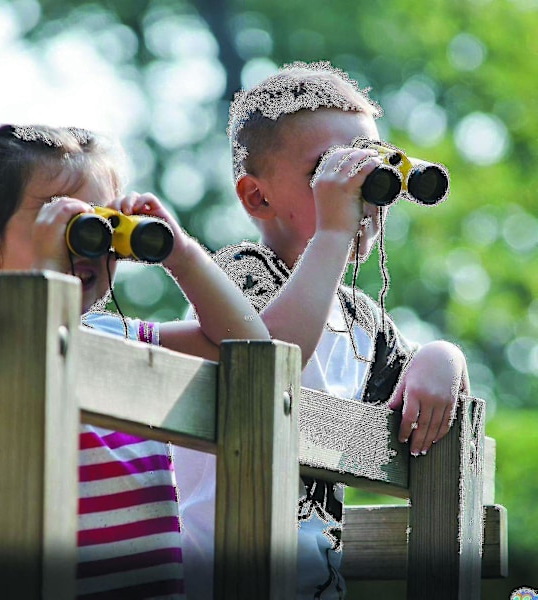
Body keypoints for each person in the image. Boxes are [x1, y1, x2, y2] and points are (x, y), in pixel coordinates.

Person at [174, 61, 470, 599]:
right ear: (257, 197)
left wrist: (442, 358)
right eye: (330, 172)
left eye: (371, 171)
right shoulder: (239, 274)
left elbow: (424, 417)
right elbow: (266, 355)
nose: (356, 195)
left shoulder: (362, 322)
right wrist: (333, 232)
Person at [0, 123, 269, 599]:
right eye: (65, 223)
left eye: (101, 226)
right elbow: (36, 345)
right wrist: (45, 267)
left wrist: (181, 253)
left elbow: (250, 346)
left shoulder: (122, 337)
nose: (86, 245)